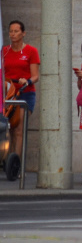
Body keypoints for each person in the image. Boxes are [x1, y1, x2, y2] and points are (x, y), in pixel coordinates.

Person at [2, 20, 40, 162]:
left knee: (18, 129)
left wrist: (27, 80)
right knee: (9, 129)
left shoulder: (31, 51)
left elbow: (35, 76)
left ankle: (15, 164)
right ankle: (7, 161)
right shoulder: (4, 51)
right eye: (11, 31)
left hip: (25, 93)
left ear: (23, 33)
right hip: (8, 93)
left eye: (16, 31)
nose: (12, 34)